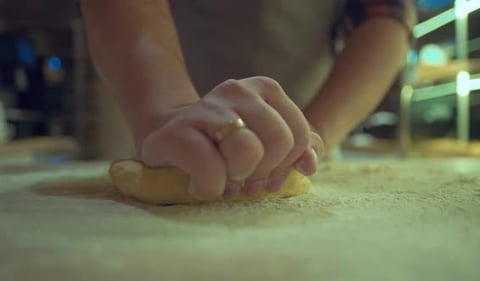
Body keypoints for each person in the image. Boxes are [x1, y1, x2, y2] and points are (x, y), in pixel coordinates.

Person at [80, 0, 416, 200]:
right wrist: (166, 107)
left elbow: (384, 17)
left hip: (310, 128)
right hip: (155, 119)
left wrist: (315, 133)